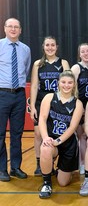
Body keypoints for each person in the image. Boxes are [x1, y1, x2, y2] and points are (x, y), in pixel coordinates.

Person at [38, 70, 83, 198]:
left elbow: (73, 127)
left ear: (74, 85)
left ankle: (60, 170)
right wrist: (46, 137)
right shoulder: (49, 97)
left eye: (70, 83)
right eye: (63, 82)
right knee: (45, 149)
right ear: (58, 83)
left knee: (63, 183)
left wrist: (58, 141)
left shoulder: (78, 104)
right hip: (51, 138)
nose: (66, 85)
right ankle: (46, 183)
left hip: (68, 143)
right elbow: (42, 118)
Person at [30, 36, 70, 176]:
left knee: (55, 132)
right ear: (43, 46)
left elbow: (69, 82)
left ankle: (53, 161)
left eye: (53, 45)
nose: (50, 47)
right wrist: (33, 106)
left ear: (56, 47)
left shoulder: (63, 63)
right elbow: (34, 86)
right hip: (41, 101)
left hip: (58, 102)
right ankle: (39, 162)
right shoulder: (37, 64)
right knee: (38, 133)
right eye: (47, 45)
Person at [0, 18, 31, 182]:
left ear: (20, 30)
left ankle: (16, 167)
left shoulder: (26, 49)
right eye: (10, 26)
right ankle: (1, 169)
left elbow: (25, 69)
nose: (13, 29)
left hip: (19, 94)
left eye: (16, 27)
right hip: (1, 93)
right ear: (5, 29)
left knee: (17, 134)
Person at [71, 43, 88, 175]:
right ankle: (83, 163)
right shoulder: (76, 68)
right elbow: (71, 88)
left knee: (87, 135)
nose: (86, 53)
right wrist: (79, 107)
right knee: (81, 136)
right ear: (79, 54)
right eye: (83, 51)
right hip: (81, 107)